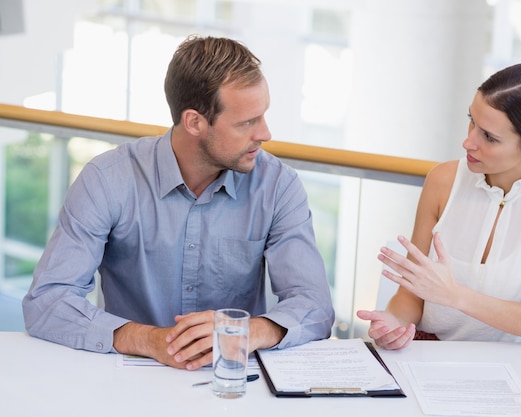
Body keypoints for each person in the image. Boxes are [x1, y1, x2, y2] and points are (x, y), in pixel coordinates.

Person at [22, 35, 335, 369]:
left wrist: (246, 331)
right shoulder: (108, 179)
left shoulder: (277, 186)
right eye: (246, 122)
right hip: (129, 378)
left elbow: (315, 306)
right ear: (195, 122)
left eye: (262, 116)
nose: (265, 133)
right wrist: (149, 339)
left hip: (231, 383)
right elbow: (47, 301)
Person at [357, 63, 521, 348]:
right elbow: (411, 298)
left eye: (489, 137)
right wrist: (392, 323)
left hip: (516, 368)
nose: (468, 142)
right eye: (472, 121)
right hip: (431, 353)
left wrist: (455, 295)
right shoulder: (442, 180)